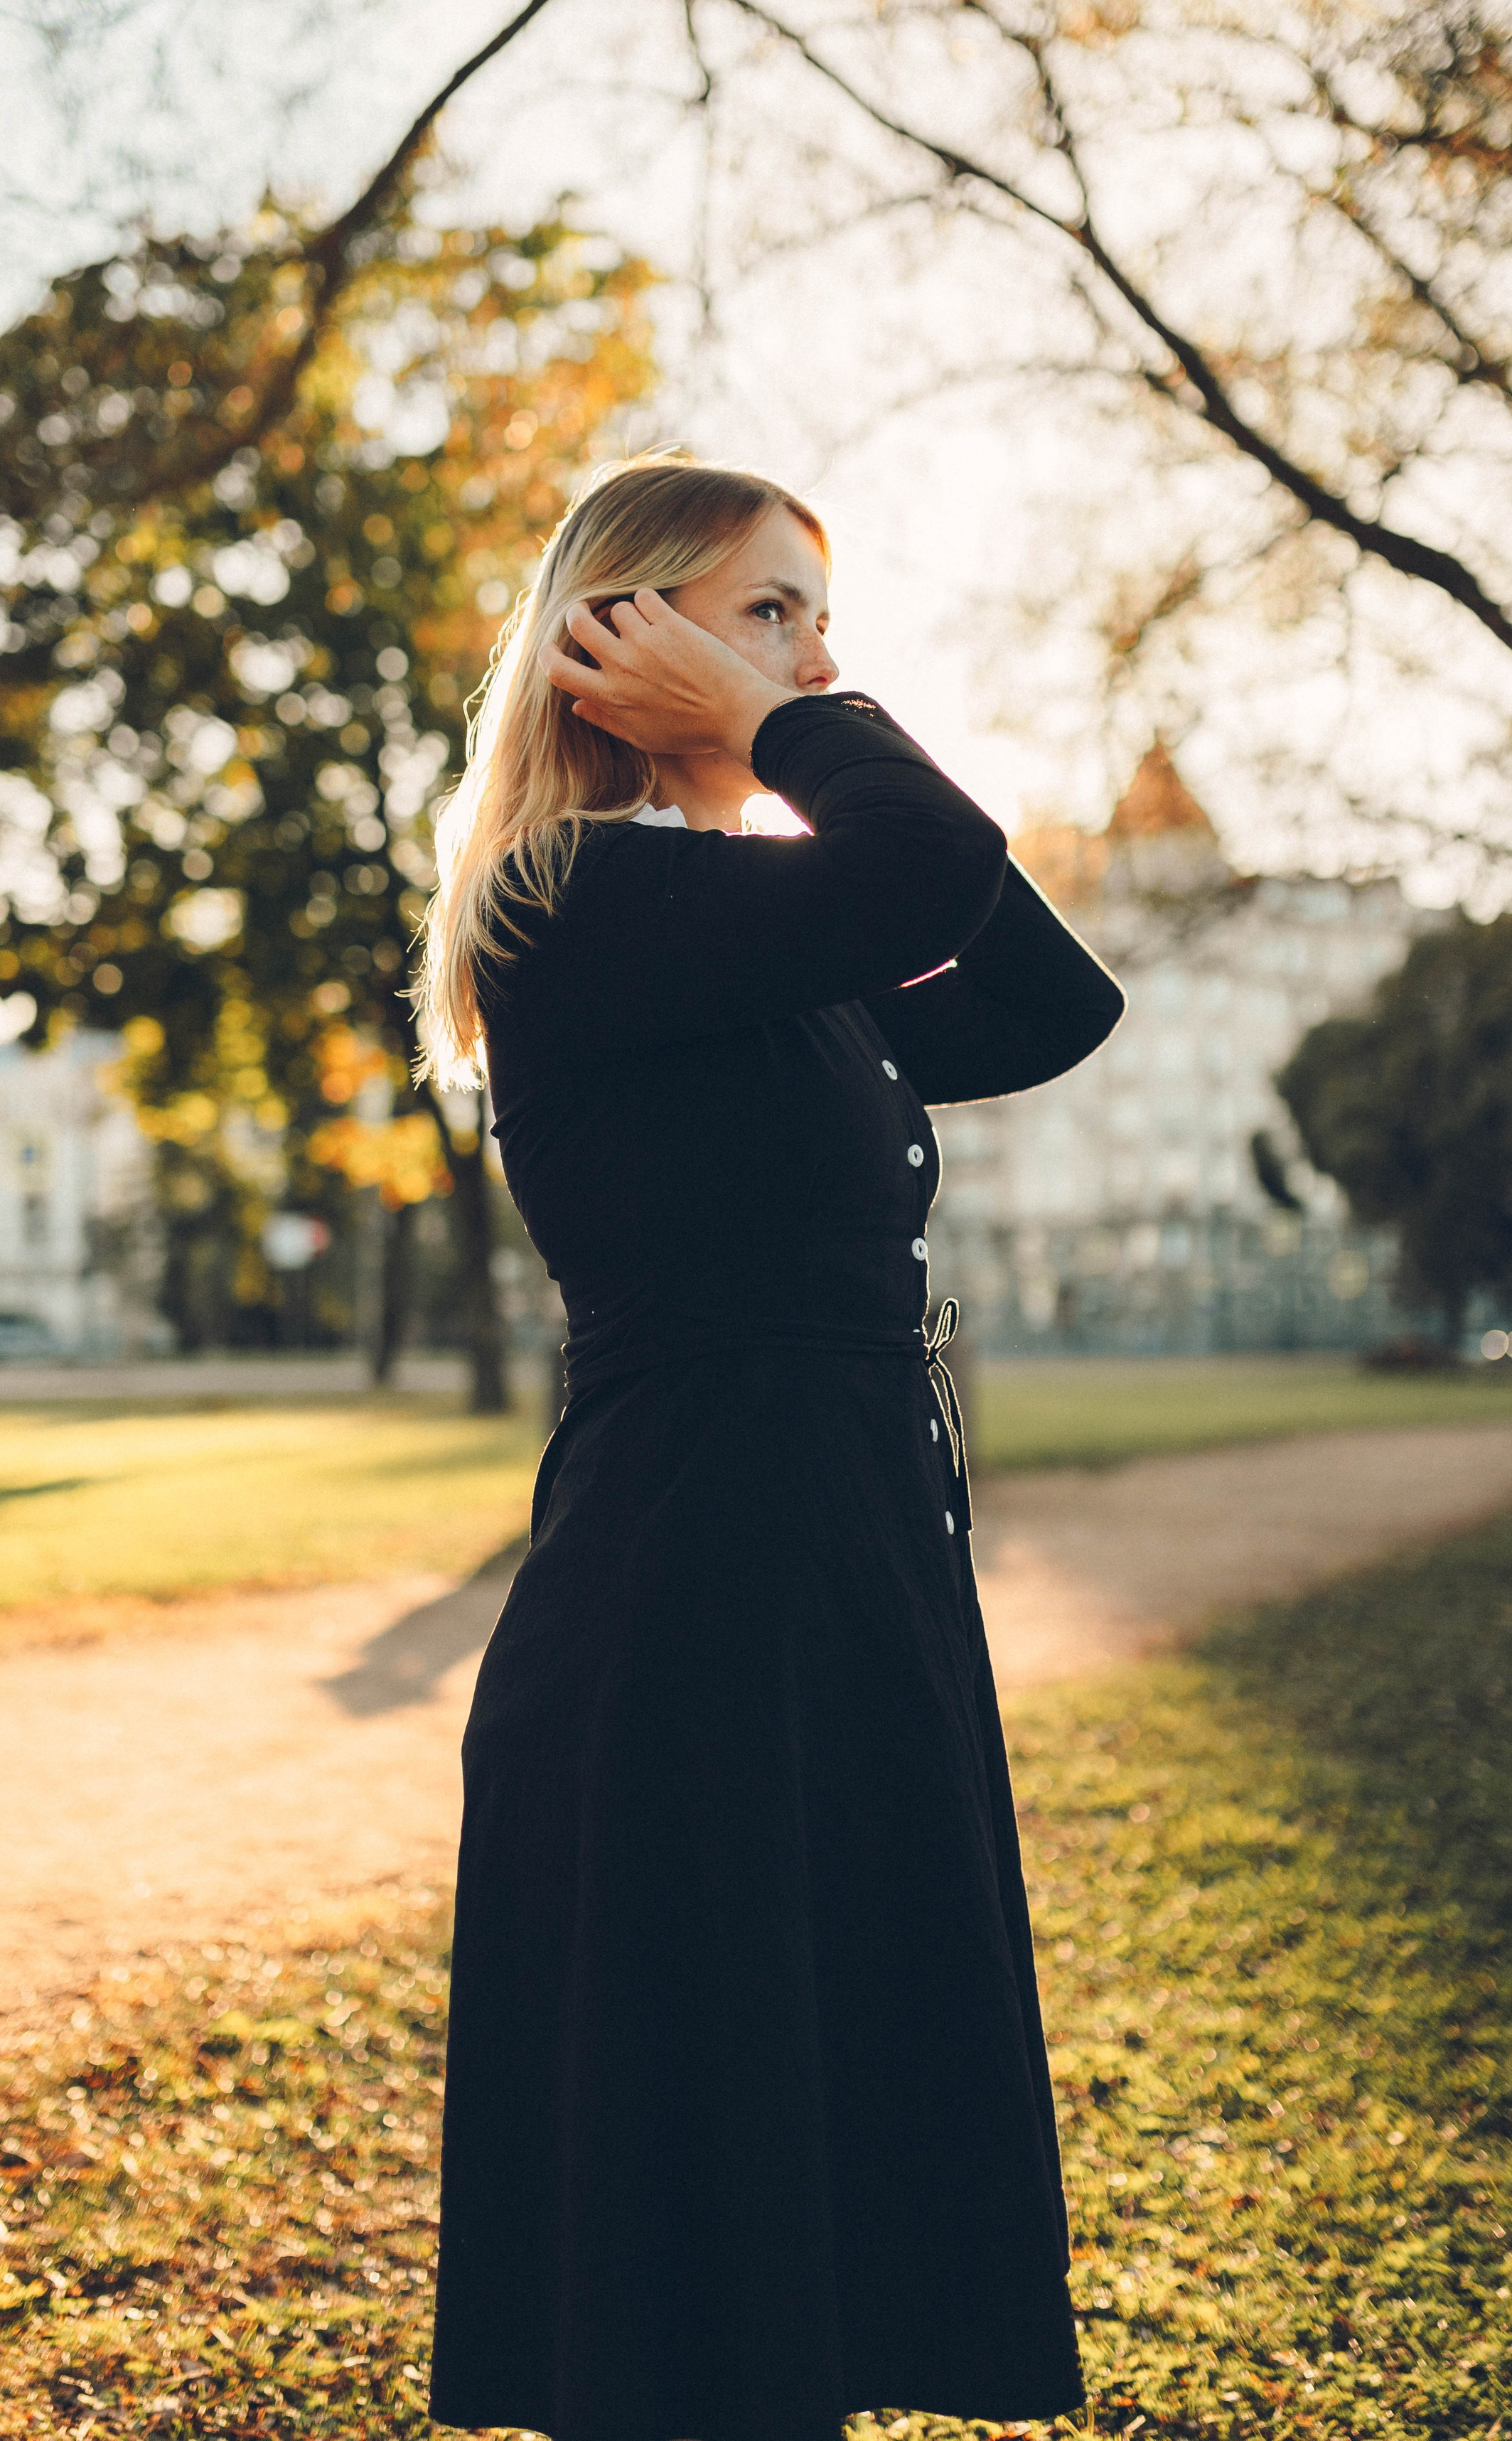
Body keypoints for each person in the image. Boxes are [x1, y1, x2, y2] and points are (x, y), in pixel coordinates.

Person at [417, 454, 1125, 2441]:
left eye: (824, 617)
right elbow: (922, 863)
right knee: (704, 2191)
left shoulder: (769, 943)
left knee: (820, 2131)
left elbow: (1052, 997)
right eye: (771, 613)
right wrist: (780, 732)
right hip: (696, 1590)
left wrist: (776, 719)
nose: (822, 657)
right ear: (614, 643)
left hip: (834, 1568)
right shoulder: (582, 899)